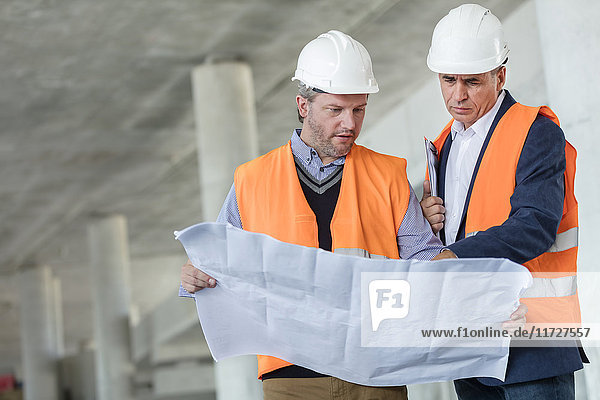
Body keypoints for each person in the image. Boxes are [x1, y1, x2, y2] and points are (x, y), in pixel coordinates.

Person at [180, 30, 449, 400]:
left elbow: (425, 258)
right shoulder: (251, 181)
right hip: (291, 377)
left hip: (374, 370)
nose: (350, 124)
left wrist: (469, 269)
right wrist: (195, 276)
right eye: (335, 110)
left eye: (359, 109)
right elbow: (219, 267)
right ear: (303, 105)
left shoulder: (388, 175)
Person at [420, 4, 587, 399]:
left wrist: (453, 257)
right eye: (448, 80)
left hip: (532, 342)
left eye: (473, 82)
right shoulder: (442, 147)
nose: (457, 95)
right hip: (471, 343)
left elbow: (535, 224)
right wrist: (429, 222)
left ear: (500, 76)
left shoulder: (536, 131)